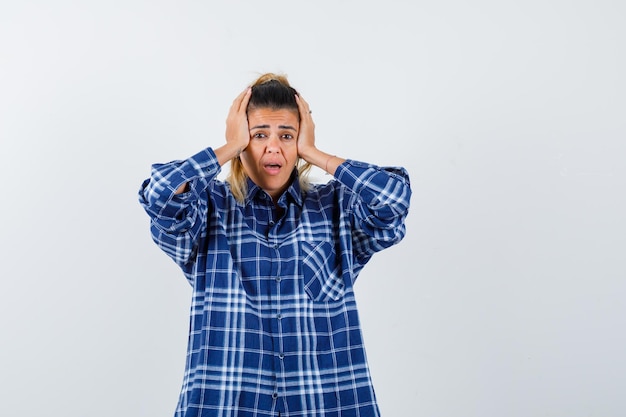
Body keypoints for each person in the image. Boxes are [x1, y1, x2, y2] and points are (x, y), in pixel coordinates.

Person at [138, 73, 412, 417]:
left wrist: (315, 154)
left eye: (287, 135)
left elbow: (393, 199)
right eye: (258, 135)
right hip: (224, 404)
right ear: (241, 141)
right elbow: (160, 195)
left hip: (328, 404)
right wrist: (227, 149)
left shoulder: (336, 208)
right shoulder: (206, 208)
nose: (273, 147)